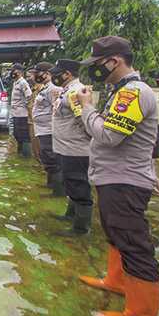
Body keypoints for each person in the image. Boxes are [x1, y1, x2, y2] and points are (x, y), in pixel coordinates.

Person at [76, 36, 159, 316]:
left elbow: (109, 136)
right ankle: (116, 281)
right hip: (113, 178)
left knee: (134, 245)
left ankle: (140, 315)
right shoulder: (120, 90)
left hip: (125, 181)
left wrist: (87, 107)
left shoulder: (133, 93)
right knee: (116, 234)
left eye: (98, 64)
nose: (95, 70)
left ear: (114, 61)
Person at [51, 59, 93, 234]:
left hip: (75, 149)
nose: (53, 77)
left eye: (57, 73)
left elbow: (84, 119)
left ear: (67, 74)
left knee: (79, 186)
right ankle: (71, 215)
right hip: (66, 147)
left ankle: (81, 228)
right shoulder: (66, 90)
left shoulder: (76, 92)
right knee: (71, 183)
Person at [31, 62, 63, 196]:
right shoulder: (46, 88)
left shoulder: (54, 89)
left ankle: (58, 191)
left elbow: (56, 109)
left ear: (47, 73)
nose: (35, 76)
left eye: (38, 73)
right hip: (42, 129)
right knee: (47, 157)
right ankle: (51, 184)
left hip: (49, 129)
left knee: (52, 158)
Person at [9, 64, 33, 157]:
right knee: (17, 134)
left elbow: (29, 96)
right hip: (16, 113)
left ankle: (26, 155)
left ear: (18, 72)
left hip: (22, 113)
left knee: (23, 135)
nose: (12, 73)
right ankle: (19, 153)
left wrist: (26, 107)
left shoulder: (23, 83)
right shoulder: (16, 82)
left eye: (13, 71)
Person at [26, 67, 43, 165]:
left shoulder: (42, 89)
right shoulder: (33, 89)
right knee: (35, 147)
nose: (28, 79)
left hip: (38, 123)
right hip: (31, 121)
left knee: (40, 147)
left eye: (30, 76)